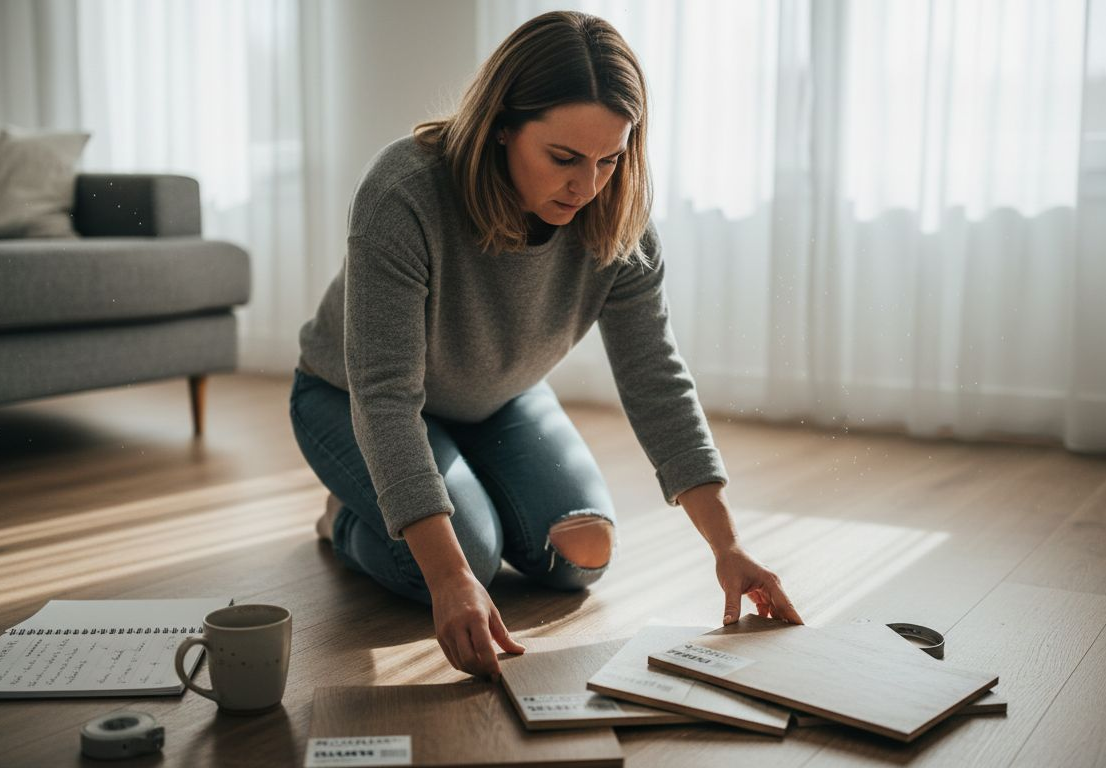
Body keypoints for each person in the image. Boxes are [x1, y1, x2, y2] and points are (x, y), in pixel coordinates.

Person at [290, 10, 802, 679]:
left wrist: (727, 546)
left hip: (498, 397)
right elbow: (385, 397)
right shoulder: (404, 191)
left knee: (581, 554)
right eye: (563, 158)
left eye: (609, 160)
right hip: (349, 397)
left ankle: (449, 496)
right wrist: (448, 578)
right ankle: (347, 521)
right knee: (464, 558)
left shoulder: (617, 218)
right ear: (501, 125)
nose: (587, 186)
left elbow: (656, 378)